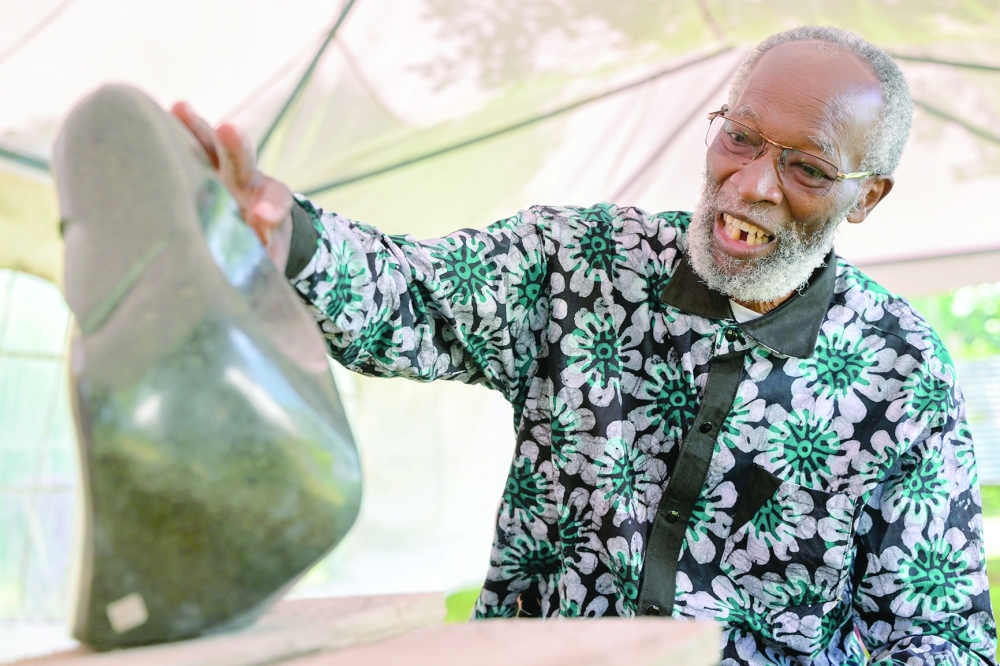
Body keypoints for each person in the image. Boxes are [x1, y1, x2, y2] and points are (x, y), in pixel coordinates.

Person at [173, 25, 996, 665]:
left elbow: (937, 638)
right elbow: (414, 297)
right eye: (740, 137)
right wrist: (289, 237)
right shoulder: (581, 262)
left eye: (808, 167)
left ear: (868, 198)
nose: (752, 182)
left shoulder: (905, 375)